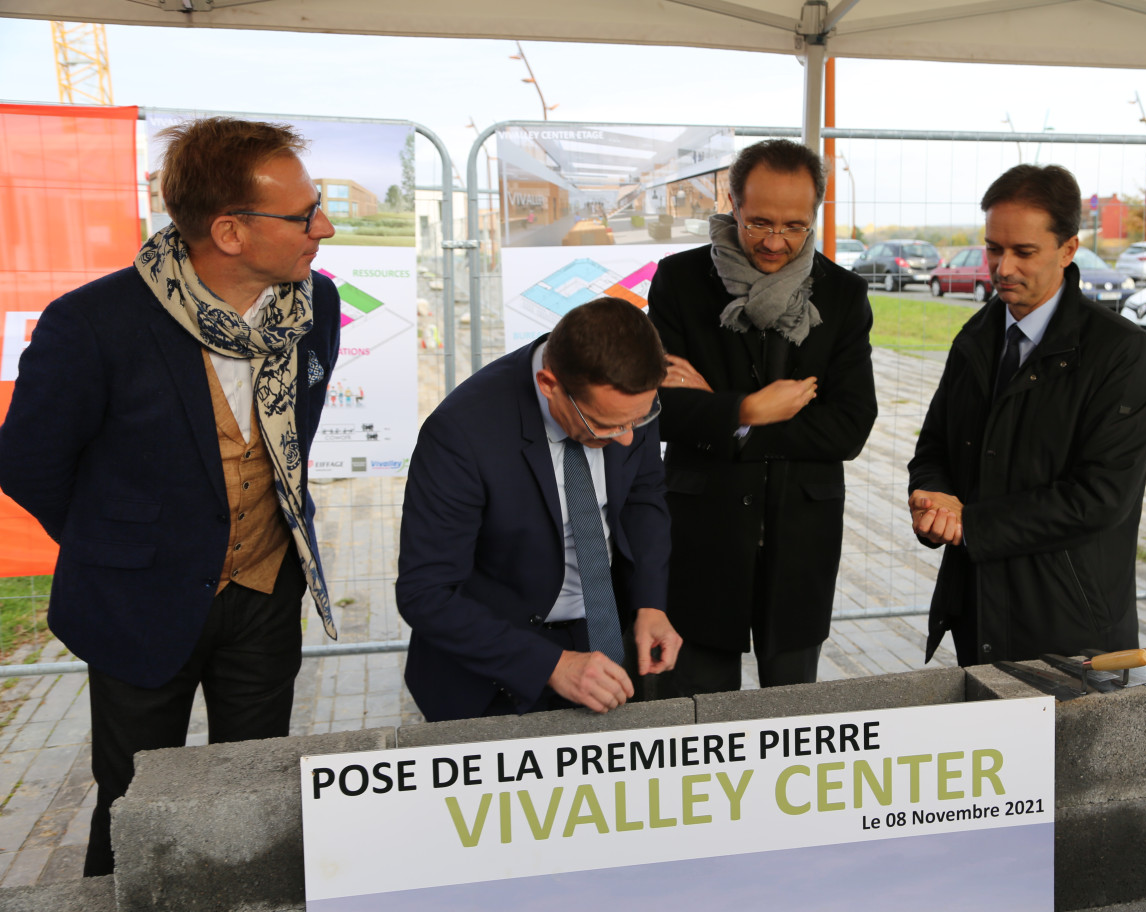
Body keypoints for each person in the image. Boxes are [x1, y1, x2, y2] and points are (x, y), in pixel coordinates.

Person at [0, 117, 341, 875]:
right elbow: (27, 460)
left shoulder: (314, 306)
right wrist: (119, 543)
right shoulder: (94, 324)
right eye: (303, 214)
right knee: (135, 797)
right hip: (137, 600)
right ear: (229, 232)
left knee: (257, 785)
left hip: (264, 589)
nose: (323, 226)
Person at [907, 164, 1146, 667]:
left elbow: (1100, 498)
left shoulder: (1120, 353)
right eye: (993, 248)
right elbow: (934, 445)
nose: (1003, 268)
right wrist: (931, 497)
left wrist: (970, 525)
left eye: (1024, 252)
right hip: (978, 613)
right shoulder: (975, 338)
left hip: (1071, 632)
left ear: (1068, 250)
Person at [647, 139, 877, 696]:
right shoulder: (678, 282)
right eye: (759, 224)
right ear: (731, 203)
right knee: (694, 713)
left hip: (801, 538)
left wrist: (730, 421)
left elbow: (849, 425)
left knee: (793, 713)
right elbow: (663, 408)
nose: (776, 242)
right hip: (703, 534)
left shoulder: (843, 295)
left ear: (816, 214)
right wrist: (750, 407)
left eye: (796, 226)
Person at [397, 296, 681, 722]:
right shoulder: (461, 433)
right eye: (603, 427)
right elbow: (426, 593)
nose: (626, 439)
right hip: (490, 674)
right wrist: (550, 664)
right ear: (549, 384)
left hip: (603, 643)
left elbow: (643, 497)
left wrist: (650, 603)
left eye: (637, 422)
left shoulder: (627, 395)